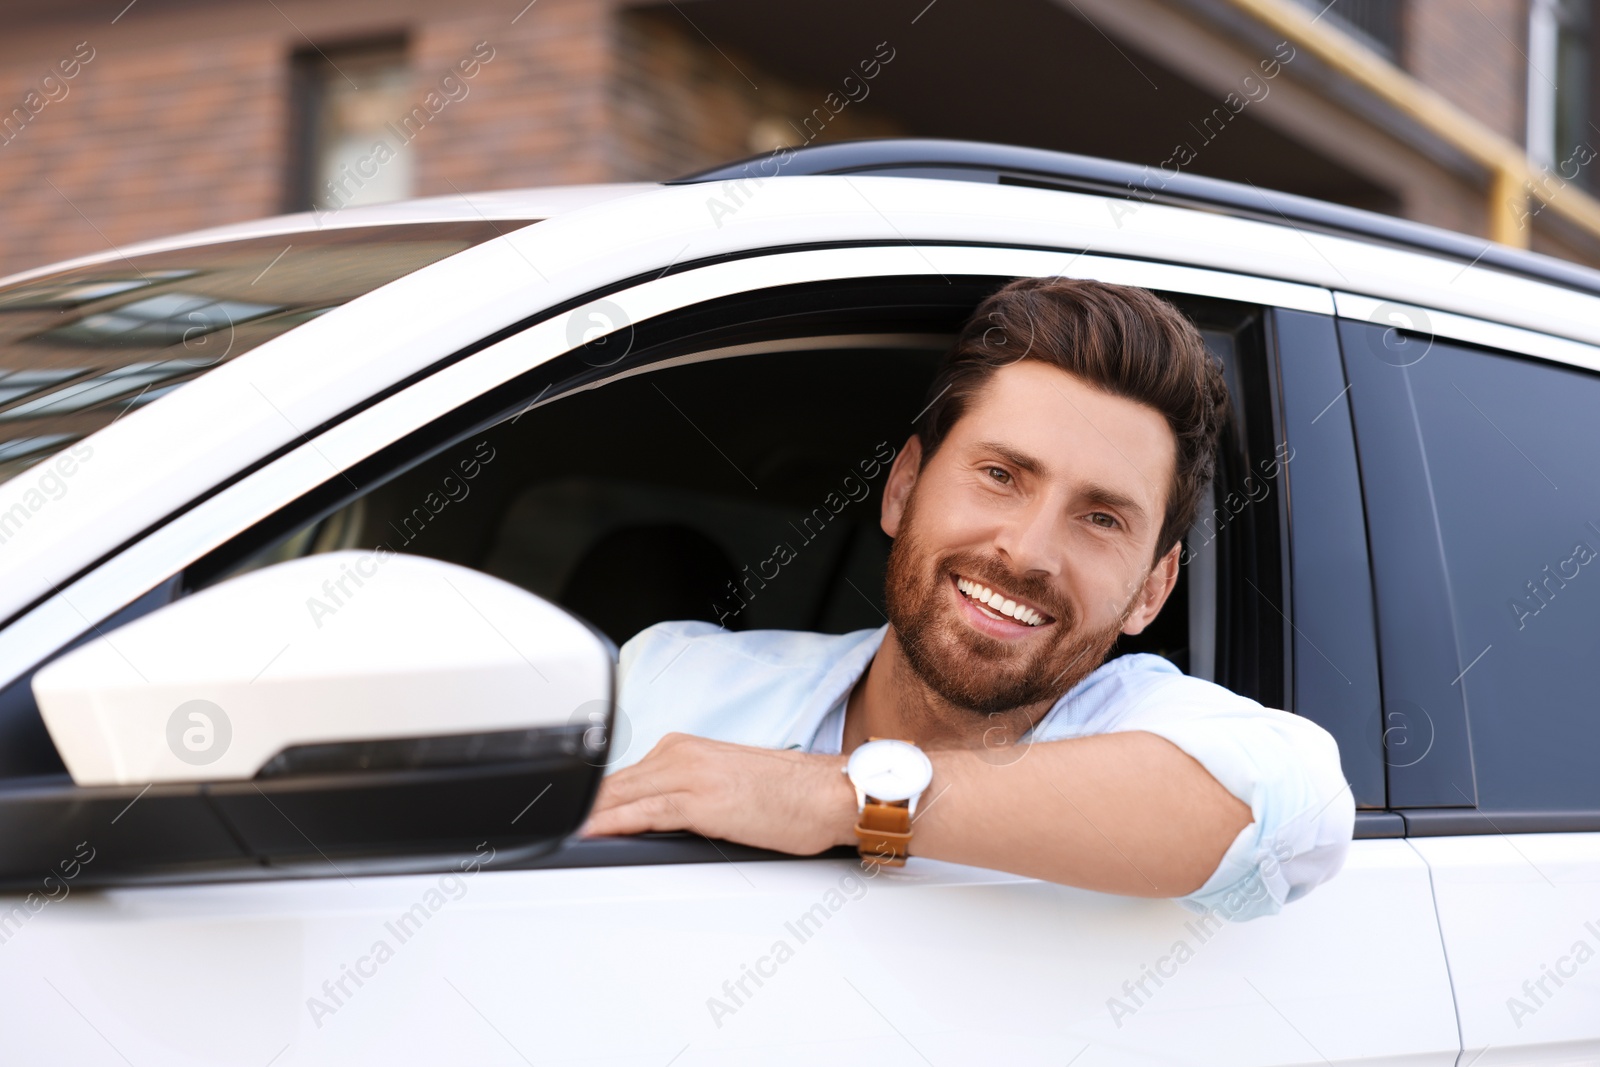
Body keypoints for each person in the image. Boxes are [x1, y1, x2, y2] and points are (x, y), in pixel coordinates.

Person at [584, 276, 1352, 921]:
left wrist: (840, 797)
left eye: (1100, 518)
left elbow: (1291, 804)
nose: (1028, 550)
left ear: (1152, 588)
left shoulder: (1153, 732)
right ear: (903, 488)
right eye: (1001, 476)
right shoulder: (672, 680)